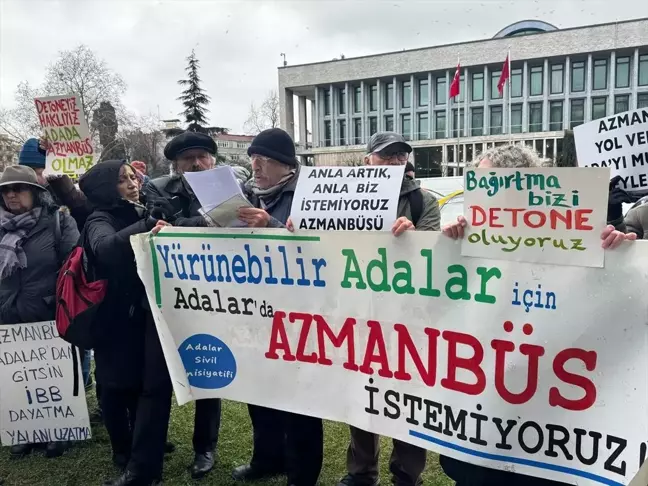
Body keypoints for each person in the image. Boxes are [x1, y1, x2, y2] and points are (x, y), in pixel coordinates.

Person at [440, 144, 633, 486]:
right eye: (480, 186)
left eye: (493, 186)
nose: (483, 197)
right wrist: (443, 247)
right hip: (483, 411)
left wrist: (619, 256)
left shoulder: (579, 236)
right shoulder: (466, 237)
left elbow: (616, 307)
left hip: (548, 410)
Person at [326, 132, 439, 486]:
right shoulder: (340, 199)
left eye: (400, 157)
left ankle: (407, 474)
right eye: (386, 155)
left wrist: (413, 238)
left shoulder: (424, 202)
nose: (394, 162)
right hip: (358, 314)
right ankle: (361, 472)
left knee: (408, 398)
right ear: (367, 161)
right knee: (362, 393)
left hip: (409, 318)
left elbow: (434, 256)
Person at [231, 128, 323, 486]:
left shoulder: (311, 194)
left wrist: (268, 224)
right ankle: (267, 459)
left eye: (263, 160)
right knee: (260, 392)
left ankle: (302, 476)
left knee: (300, 403)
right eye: (253, 158)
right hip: (256, 312)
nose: (255, 166)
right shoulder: (248, 194)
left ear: (285, 166)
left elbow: (321, 247)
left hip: (299, 317)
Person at [79, 160, 170, 486]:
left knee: (144, 384)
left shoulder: (138, 209)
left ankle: (143, 450)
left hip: (141, 315)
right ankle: (123, 453)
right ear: (106, 187)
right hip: (112, 319)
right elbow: (106, 250)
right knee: (115, 388)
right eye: (122, 180)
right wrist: (145, 227)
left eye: (134, 177)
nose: (133, 183)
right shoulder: (98, 219)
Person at [144, 131, 222, 479]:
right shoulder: (158, 190)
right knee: (159, 378)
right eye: (187, 158)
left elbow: (235, 227)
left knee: (209, 373)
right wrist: (205, 222)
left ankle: (205, 447)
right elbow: (158, 225)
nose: (195, 163)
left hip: (218, 298)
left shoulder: (229, 188)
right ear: (175, 165)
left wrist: (189, 225)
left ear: (212, 161)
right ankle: (152, 445)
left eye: (201, 156)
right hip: (172, 297)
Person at [0, 165, 79, 458]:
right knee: (18, 373)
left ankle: (59, 430)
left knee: (51, 375)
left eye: (18, 188)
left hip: (49, 311)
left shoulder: (58, 221)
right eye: (5, 190)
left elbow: (72, 263)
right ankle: (26, 429)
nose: (11, 194)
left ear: (35, 193)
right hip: (8, 313)